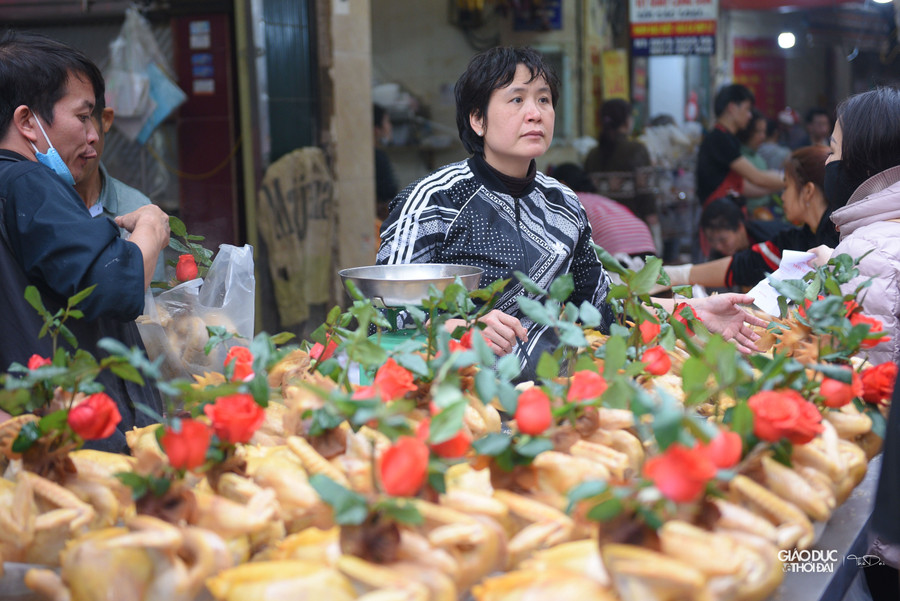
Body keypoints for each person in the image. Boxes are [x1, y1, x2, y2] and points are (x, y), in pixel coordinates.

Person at [377, 46, 765, 380]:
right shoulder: (432, 200)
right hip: (454, 400)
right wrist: (453, 326)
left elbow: (599, 306)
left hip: (547, 404)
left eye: (543, 99)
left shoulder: (563, 204)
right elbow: (384, 315)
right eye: (517, 99)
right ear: (477, 119)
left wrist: (692, 309)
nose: (535, 113)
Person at [0, 31, 169, 451]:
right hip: (83, 444)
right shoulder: (26, 182)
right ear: (26, 122)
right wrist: (150, 228)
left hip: (39, 440)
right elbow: (111, 285)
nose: (94, 135)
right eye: (83, 116)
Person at [810, 87, 900, 365]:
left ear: (866, 164)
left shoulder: (866, 250)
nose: (827, 161)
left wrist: (835, 270)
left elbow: (866, 374)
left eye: (834, 150)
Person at [667, 146, 836, 290]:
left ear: (808, 191)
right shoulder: (800, 238)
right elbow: (744, 265)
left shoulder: (841, 233)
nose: (783, 196)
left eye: (787, 187)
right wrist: (676, 275)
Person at [74, 101, 166, 281]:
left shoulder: (138, 208)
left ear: (105, 120)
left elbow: (152, 304)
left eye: (85, 118)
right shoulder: (34, 209)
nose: (87, 137)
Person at [583, 98, 662, 254]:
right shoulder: (636, 149)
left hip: (599, 234)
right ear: (626, 121)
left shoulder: (592, 155)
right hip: (632, 232)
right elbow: (645, 193)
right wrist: (653, 225)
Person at [695, 84, 784, 208]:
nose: (750, 116)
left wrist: (781, 185)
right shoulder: (719, 139)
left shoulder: (728, 138)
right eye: (747, 109)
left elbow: (743, 187)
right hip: (719, 218)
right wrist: (792, 179)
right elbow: (757, 177)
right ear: (731, 108)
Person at [551, 162, 656, 258]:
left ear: (562, 184)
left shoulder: (568, 201)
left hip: (615, 250)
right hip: (646, 245)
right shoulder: (601, 200)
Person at [700, 195, 792, 260]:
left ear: (740, 227)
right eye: (711, 240)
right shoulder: (717, 256)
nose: (718, 247)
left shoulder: (772, 242)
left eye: (723, 240)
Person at [737, 108, 779, 220]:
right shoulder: (739, 157)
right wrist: (777, 185)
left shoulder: (759, 158)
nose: (763, 136)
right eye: (758, 132)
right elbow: (745, 188)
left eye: (764, 132)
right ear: (747, 131)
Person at [374, 104, 398, 222]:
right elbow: (388, 194)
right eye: (387, 122)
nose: (390, 127)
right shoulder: (378, 158)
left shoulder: (378, 156)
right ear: (376, 129)